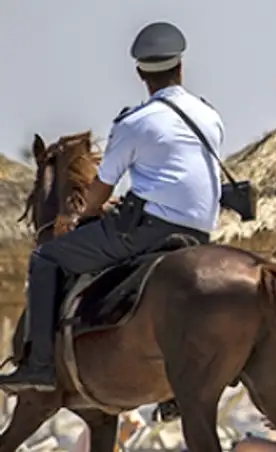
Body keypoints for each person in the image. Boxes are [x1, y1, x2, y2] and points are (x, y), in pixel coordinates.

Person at [0, 20, 224, 415]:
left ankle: (40, 365)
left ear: (140, 73)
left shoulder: (135, 122)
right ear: (181, 67)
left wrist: (81, 215)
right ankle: (176, 389)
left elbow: (102, 187)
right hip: (201, 232)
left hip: (149, 231)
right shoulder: (209, 116)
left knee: (46, 259)